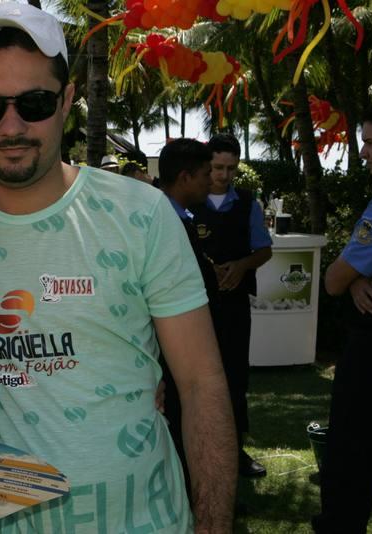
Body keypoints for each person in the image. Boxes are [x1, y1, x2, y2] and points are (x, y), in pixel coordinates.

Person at [0, 4, 236, 532]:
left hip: (146, 520)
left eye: (35, 102)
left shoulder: (140, 214)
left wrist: (213, 525)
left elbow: (202, 383)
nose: (11, 126)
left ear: (67, 101)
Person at [314, 98, 372, 534]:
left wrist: (352, 278)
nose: (362, 152)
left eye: (370, 142)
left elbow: (333, 279)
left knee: (350, 463)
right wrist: (361, 276)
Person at [190, 133, 272, 478]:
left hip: (236, 306)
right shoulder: (189, 201)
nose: (223, 175)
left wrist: (241, 266)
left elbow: (264, 250)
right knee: (194, 378)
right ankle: (194, 449)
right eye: (217, 167)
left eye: (231, 168)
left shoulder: (247, 203)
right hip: (195, 307)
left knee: (236, 378)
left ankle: (236, 451)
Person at [156, 138, 220, 497]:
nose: (212, 181)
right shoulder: (158, 223)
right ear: (184, 177)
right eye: (206, 174)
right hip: (171, 353)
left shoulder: (181, 218)